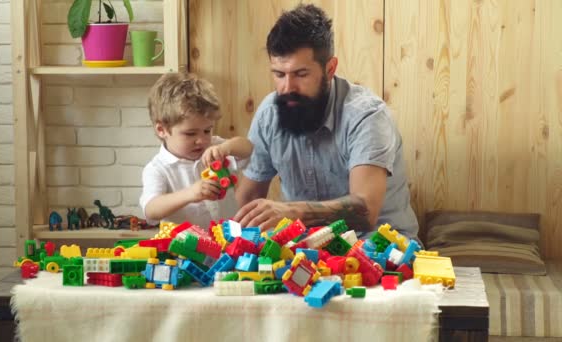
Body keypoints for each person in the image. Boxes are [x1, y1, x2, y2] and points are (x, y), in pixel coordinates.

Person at [233, 4, 420, 240]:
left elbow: (365, 210)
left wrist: (291, 211)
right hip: (305, 249)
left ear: (330, 68)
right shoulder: (270, 113)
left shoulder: (367, 115)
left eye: (301, 74)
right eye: (279, 74)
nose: (287, 88)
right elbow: (248, 198)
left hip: (380, 246)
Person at [140, 73, 253, 229]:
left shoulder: (215, 148)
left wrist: (226, 147)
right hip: (186, 250)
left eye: (207, 130)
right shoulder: (158, 169)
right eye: (190, 133)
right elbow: (151, 209)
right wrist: (190, 194)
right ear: (162, 130)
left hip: (229, 245)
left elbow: (247, 148)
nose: (201, 140)